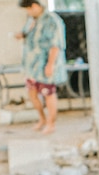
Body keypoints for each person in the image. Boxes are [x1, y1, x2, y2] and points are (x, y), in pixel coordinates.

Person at [16, 0, 67, 134]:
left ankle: (51, 123)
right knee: (32, 93)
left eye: (29, 8)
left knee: (48, 94)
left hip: (45, 62)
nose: (29, 12)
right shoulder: (32, 20)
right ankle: (42, 119)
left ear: (36, 5)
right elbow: (27, 33)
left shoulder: (52, 20)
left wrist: (50, 65)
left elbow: (56, 44)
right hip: (31, 65)